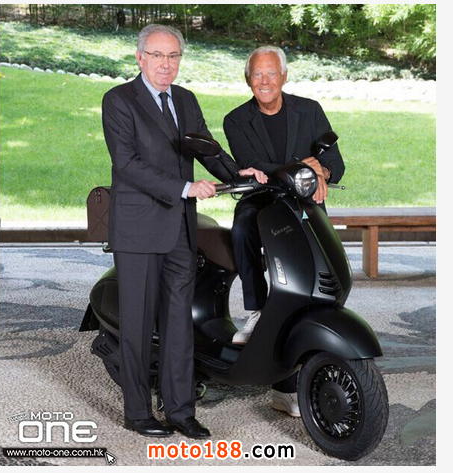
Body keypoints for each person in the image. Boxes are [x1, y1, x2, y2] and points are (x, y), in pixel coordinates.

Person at [102, 24, 266, 439]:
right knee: (138, 324)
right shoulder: (119, 100)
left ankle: (180, 410)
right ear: (140, 58)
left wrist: (239, 174)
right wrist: (184, 188)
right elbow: (127, 164)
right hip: (139, 228)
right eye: (157, 55)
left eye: (173, 56)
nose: (166, 64)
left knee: (179, 323)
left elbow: (205, 147)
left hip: (179, 227)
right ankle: (137, 413)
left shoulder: (186, 99)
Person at [223, 46, 345, 416]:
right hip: (262, 199)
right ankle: (256, 309)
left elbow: (335, 164)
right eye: (257, 74)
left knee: (319, 274)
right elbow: (253, 165)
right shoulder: (235, 120)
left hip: (304, 203)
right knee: (241, 228)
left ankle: (319, 332)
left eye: (271, 73)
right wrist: (305, 167)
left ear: (284, 76)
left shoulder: (310, 110)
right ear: (248, 79)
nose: (265, 81)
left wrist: (321, 171)